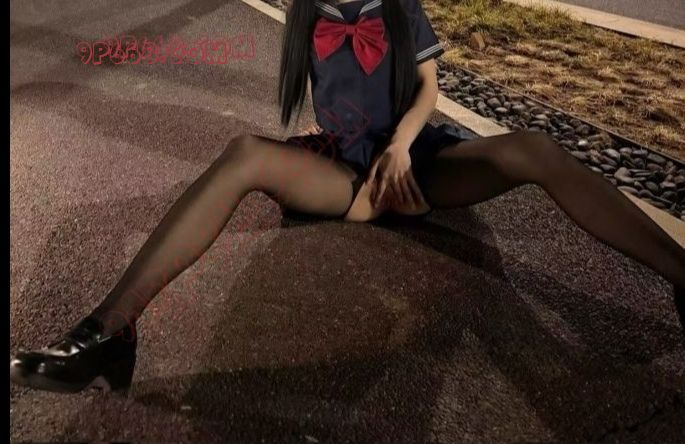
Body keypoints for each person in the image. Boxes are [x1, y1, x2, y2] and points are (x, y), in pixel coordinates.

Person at [10, 0, 685, 394]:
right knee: (244, 152)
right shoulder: (307, 10)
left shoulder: (397, 4)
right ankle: (106, 333)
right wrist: (345, 166)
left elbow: (429, 88)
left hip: (417, 157)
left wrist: (400, 146)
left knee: (533, 147)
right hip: (342, 165)